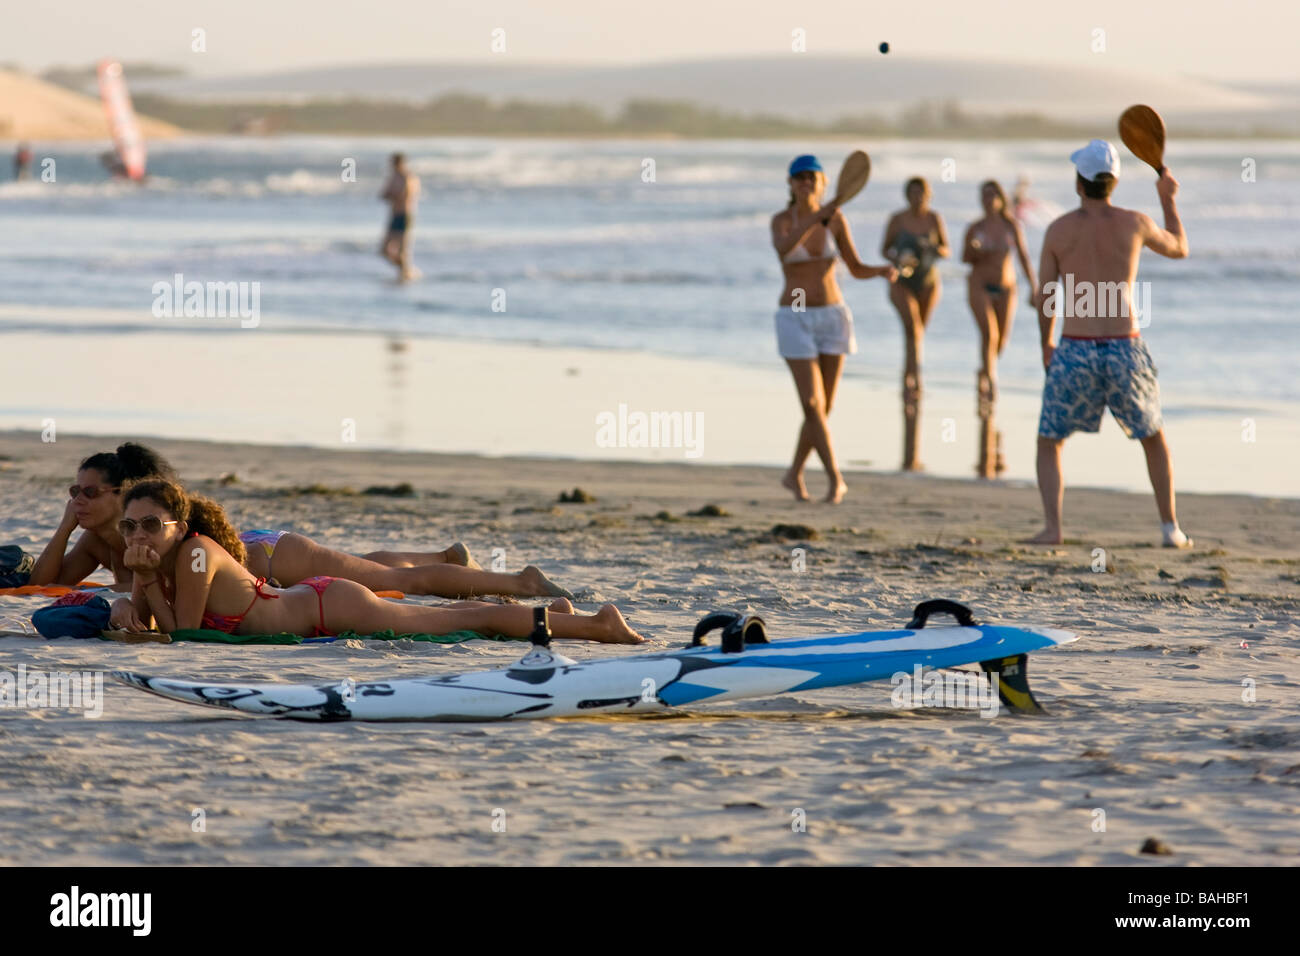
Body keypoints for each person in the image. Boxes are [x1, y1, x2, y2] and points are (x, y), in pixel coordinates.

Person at [117, 480, 643, 643]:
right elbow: (151, 622)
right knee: (460, 616)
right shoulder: (164, 562)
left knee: (468, 619)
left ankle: (599, 625)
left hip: (331, 607)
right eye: (130, 526)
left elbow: (184, 635)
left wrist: (140, 582)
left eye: (150, 525)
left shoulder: (191, 557)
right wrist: (133, 598)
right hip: (317, 601)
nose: (139, 535)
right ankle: (566, 614)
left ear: (180, 528)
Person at [31, 445, 574, 602]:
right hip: (255, 564)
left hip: (269, 556)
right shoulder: (100, 544)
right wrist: (63, 524)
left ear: (125, 495)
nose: (78, 499)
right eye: (72, 491)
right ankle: (444, 558)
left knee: (393, 583)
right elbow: (47, 580)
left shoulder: (151, 528)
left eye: (89, 492)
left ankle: (520, 582)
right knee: (374, 570)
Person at [1027, 139, 1192, 548]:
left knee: (1050, 440)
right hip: (1124, 347)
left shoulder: (1059, 230)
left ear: (1079, 182)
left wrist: (1047, 344)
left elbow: (1046, 295)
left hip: (1076, 346)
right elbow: (1179, 248)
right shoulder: (1134, 222)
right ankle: (1170, 528)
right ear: (1113, 181)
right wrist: (1168, 200)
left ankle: (1053, 528)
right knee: (1152, 436)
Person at [771, 154, 897, 504]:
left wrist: (882, 271)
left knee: (823, 408)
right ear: (790, 184)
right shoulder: (782, 221)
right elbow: (785, 250)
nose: (806, 183)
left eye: (812, 177)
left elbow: (855, 268)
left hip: (832, 314)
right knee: (812, 404)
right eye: (799, 178)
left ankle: (794, 473)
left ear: (823, 183)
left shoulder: (836, 219)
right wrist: (816, 215)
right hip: (794, 311)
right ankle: (835, 479)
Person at [961, 180, 1036, 477]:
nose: (988, 199)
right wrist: (975, 249)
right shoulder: (974, 227)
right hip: (979, 283)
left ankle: (985, 370)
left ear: (1001, 199)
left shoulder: (1011, 226)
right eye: (984, 195)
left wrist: (1035, 287)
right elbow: (964, 258)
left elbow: (1025, 258)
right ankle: (990, 384)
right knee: (988, 334)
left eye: (993, 194)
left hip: (1007, 288)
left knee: (1000, 343)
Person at [882, 177, 950, 471]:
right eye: (912, 192)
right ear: (906, 195)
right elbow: (884, 249)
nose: (917, 197)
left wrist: (932, 248)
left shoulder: (935, 218)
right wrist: (899, 255)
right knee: (912, 327)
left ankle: (910, 375)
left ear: (928, 195)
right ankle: (913, 380)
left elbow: (947, 250)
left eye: (921, 192)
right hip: (902, 280)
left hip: (928, 281)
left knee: (918, 332)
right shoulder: (897, 220)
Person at [379, 152, 420, 280]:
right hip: (394, 215)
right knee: (384, 250)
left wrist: (393, 195)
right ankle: (406, 270)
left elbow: (405, 195)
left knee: (403, 250)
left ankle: (405, 274)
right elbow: (384, 194)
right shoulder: (393, 177)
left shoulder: (409, 178)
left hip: (405, 215)